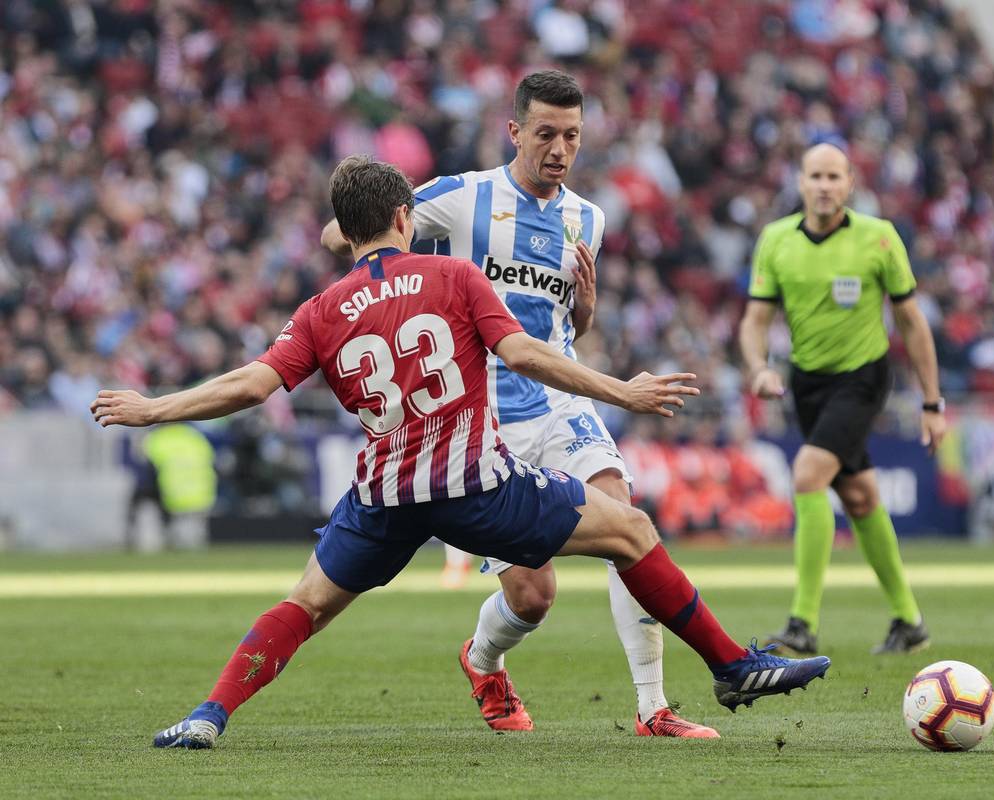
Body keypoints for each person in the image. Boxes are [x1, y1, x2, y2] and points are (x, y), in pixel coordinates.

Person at [91, 156, 830, 750]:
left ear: (346, 234)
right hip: (478, 488)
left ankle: (207, 716)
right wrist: (621, 393)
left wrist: (154, 407)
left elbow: (252, 386)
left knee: (306, 604)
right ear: (405, 218)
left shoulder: (319, 311)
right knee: (630, 531)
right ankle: (732, 668)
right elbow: (527, 355)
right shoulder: (452, 276)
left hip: (384, 498)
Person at [322, 71, 716, 737]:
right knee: (534, 597)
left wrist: (585, 309)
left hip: (558, 400)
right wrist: (364, 246)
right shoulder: (462, 197)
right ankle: (482, 660)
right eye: (545, 134)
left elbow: (563, 327)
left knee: (626, 520)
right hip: (484, 421)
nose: (559, 148)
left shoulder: (585, 217)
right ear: (514, 131)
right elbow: (350, 233)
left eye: (571, 136)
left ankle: (654, 707)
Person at [737, 143, 947, 656]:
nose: (825, 185)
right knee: (859, 498)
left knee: (808, 475)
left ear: (850, 183)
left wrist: (932, 402)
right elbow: (755, 320)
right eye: (816, 176)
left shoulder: (879, 238)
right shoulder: (776, 240)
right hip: (806, 383)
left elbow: (912, 322)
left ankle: (802, 622)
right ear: (801, 182)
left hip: (863, 377)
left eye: (834, 176)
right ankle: (909, 620)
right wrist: (759, 368)